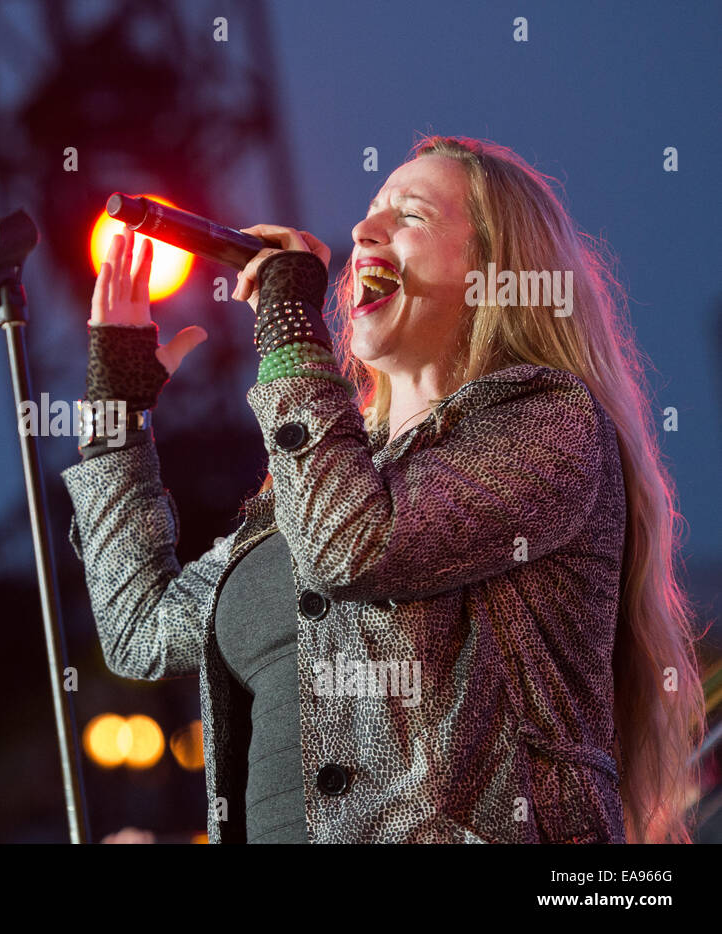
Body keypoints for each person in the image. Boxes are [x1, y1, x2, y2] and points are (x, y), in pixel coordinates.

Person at [60, 135, 706, 844]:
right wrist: (116, 409)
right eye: (370, 212)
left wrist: (287, 327)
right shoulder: (323, 478)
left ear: (493, 272)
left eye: (412, 215)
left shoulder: (552, 423)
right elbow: (139, 630)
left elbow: (352, 547)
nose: (366, 230)